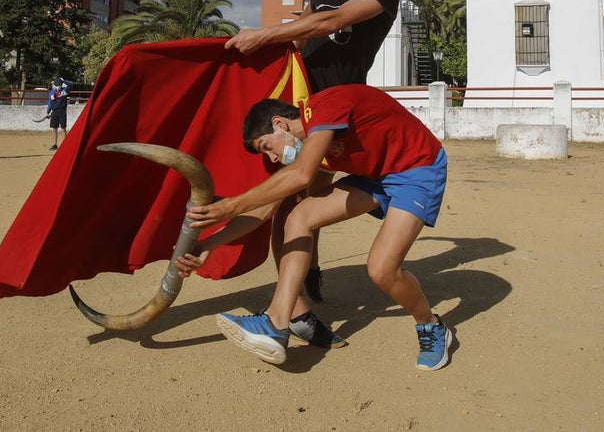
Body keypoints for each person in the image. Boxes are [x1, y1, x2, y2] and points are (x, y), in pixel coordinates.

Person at [179, 84, 452, 371]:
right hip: (376, 176)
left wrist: (229, 206)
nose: (271, 158)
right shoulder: (309, 146)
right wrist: (209, 243)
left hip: (418, 169)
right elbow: (265, 208)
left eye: (267, 147)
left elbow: (301, 176)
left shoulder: (324, 108)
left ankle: (431, 326)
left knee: (382, 269)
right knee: (298, 216)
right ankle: (276, 322)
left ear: (279, 123)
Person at [225, 0, 404, 301]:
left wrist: (264, 34)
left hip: (340, 106)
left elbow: (333, 21)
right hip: (298, 103)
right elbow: (311, 20)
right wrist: (272, 51)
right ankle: (302, 293)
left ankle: (306, 279)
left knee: (307, 196)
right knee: (285, 200)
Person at [46, 78, 69, 150]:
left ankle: (65, 144)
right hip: (54, 112)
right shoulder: (52, 92)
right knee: (54, 129)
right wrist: (48, 112)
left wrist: (63, 80)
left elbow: (71, 84)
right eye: (56, 85)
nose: (58, 86)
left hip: (62, 112)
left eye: (59, 85)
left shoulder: (65, 90)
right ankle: (54, 145)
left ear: (61, 85)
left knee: (63, 129)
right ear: (54, 85)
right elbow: (50, 103)